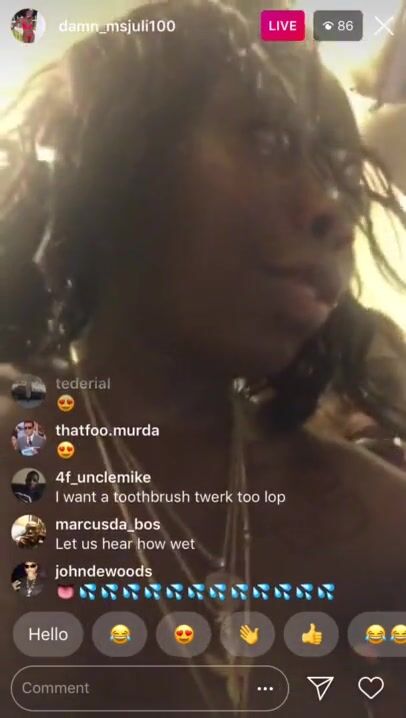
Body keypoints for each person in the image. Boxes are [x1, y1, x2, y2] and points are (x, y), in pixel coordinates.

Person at [0, 1, 405, 715]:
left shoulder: (381, 525)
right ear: (119, 159)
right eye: (269, 139)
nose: (333, 212)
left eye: (341, 172)